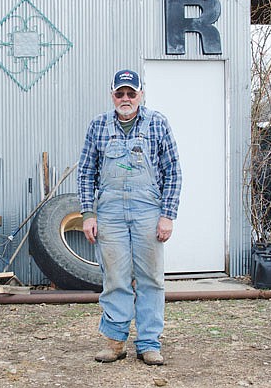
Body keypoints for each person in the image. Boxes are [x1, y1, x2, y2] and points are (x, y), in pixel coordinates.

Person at [77, 69, 182, 365]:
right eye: (120, 93)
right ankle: (115, 341)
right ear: (112, 95)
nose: (126, 98)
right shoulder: (98, 126)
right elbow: (86, 173)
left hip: (148, 210)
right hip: (109, 212)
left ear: (141, 95)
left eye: (131, 93)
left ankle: (149, 343)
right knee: (115, 278)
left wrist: (167, 215)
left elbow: (173, 171)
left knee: (151, 279)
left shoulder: (157, 123)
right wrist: (88, 213)